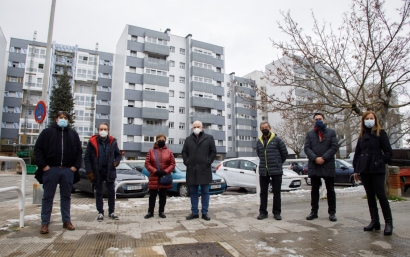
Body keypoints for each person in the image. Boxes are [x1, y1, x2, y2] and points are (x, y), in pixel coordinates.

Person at [34, 111, 82, 234]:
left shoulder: (73, 134)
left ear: (69, 121)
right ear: (56, 119)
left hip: (67, 170)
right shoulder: (47, 132)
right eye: (60, 117)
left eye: (65, 118)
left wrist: (75, 167)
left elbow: (79, 151)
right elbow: (38, 149)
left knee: (66, 197)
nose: (63, 119)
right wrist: (44, 166)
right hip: (51, 170)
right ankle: (45, 223)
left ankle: (66, 221)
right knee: (48, 197)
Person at [352, 111, 393, 236]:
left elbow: (388, 153)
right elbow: (357, 154)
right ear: (363, 121)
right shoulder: (361, 136)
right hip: (365, 170)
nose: (370, 120)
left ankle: (389, 223)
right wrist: (356, 169)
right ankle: (375, 221)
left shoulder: (381, 134)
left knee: (381, 195)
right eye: (367, 118)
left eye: (371, 118)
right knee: (370, 196)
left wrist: (379, 162)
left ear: (375, 120)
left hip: (377, 169)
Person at [304, 113, 338, 222]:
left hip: (327, 164)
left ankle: (332, 213)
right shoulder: (310, 134)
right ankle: (314, 212)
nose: (318, 120)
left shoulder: (331, 133)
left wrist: (323, 158)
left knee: (330, 190)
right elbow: (307, 148)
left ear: (324, 120)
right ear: (313, 121)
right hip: (315, 165)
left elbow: (334, 147)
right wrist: (315, 158)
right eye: (316, 119)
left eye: (320, 119)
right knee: (314, 190)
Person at [84, 122, 122, 222]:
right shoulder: (92, 142)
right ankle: (100, 212)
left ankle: (112, 212)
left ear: (108, 130)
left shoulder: (113, 142)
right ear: (98, 130)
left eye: (105, 129)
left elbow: (118, 155)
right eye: (101, 129)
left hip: (109, 170)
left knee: (111, 192)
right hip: (97, 171)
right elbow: (87, 157)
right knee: (99, 192)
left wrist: (116, 162)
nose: (103, 131)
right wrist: (89, 171)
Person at [182, 120, 216, 221]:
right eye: (194, 127)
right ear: (192, 128)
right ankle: (194, 212)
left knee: (205, 191)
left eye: (198, 126)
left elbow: (213, 152)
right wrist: (187, 161)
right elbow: (184, 152)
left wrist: (208, 161)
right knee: (193, 192)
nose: (196, 128)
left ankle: (205, 212)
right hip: (192, 169)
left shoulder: (209, 138)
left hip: (204, 169)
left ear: (202, 127)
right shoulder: (188, 139)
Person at [256, 122, 288, 220]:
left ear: (270, 128)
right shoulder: (259, 141)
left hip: (276, 170)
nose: (264, 129)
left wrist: (278, 163)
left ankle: (277, 213)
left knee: (277, 192)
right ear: (260, 130)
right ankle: (263, 212)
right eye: (262, 128)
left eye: (266, 127)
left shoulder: (277, 139)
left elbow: (284, 153)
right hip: (263, 171)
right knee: (263, 192)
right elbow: (259, 154)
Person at [144, 134, 176, 219]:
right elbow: (147, 163)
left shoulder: (169, 151)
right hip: (154, 177)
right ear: (156, 140)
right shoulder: (151, 151)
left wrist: (165, 171)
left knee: (163, 195)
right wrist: (155, 171)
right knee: (152, 196)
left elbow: (172, 164)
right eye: (159, 139)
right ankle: (150, 212)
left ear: (165, 140)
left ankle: (161, 211)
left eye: (163, 139)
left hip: (164, 177)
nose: (161, 140)